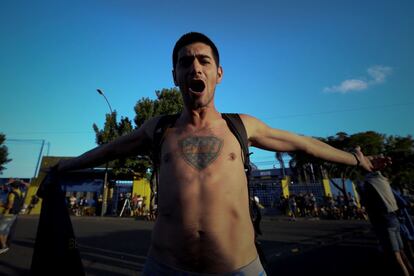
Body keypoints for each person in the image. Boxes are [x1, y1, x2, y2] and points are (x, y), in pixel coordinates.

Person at [41, 32, 389, 275]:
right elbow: (109, 149)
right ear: (175, 75)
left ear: (218, 73)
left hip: (239, 269)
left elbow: (303, 143)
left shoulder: (242, 127)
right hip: (163, 267)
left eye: (204, 61)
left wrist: (357, 160)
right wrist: (63, 167)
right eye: (185, 62)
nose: (195, 67)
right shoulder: (158, 129)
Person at [359, 168, 414, 276]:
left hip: (385, 222)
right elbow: (401, 201)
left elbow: (366, 202)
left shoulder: (368, 184)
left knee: (396, 256)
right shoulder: (383, 181)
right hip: (395, 219)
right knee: (402, 251)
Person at [0, 179, 25, 254]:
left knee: (1, 232)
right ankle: (3, 246)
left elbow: (9, 206)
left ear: (12, 186)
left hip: (8, 214)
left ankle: (4, 246)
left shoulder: (12, 194)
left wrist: (1, 204)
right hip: (14, 214)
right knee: (5, 231)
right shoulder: (20, 192)